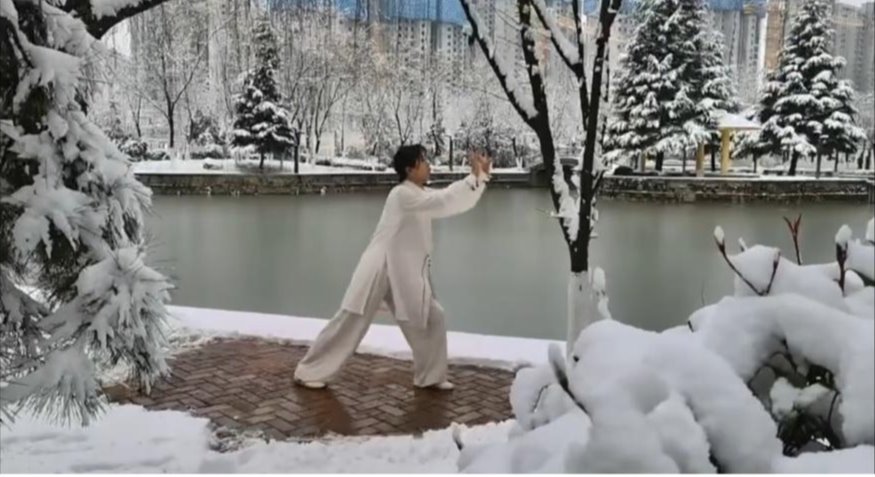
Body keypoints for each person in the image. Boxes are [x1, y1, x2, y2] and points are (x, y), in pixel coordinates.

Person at [294, 144, 492, 390]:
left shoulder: (418, 194)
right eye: (423, 161)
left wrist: (480, 178)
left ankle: (430, 377)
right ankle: (309, 371)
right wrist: (474, 178)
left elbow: (449, 202)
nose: (429, 165)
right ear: (410, 169)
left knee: (432, 318)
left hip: (405, 272)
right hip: (381, 268)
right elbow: (443, 201)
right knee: (350, 321)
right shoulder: (401, 194)